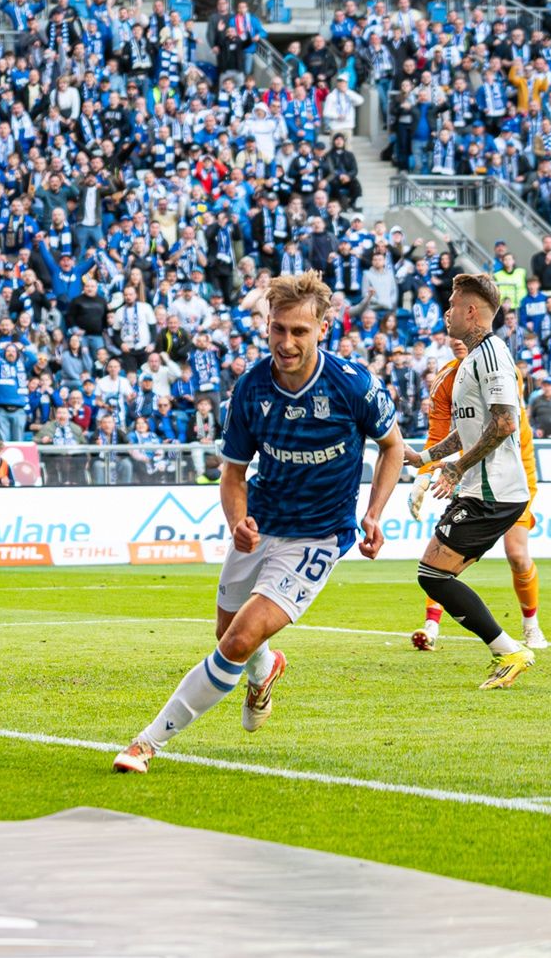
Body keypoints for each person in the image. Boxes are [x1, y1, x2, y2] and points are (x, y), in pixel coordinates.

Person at [114, 273, 403, 774]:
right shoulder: (250, 389)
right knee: (230, 638)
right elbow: (233, 473)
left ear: (323, 329)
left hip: (318, 535)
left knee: (238, 639)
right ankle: (266, 671)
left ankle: (146, 743)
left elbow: (393, 446)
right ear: (266, 327)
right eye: (278, 330)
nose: (286, 343)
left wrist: (374, 512)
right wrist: (236, 521)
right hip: (260, 526)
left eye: (299, 331)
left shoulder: (353, 385)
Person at [401, 274, 538, 690]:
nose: (447, 311)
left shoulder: (493, 354)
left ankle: (512, 650)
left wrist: (457, 469)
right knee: (435, 574)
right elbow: (471, 427)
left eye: (453, 304)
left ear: (472, 312)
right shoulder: (472, 360)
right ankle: (509, 649)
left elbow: (503, 423)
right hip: (481, 489)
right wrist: (424, 457)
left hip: (493, 491)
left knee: (433, 575)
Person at [407, 335, 547, 651]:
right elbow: (441, 431)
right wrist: (424, 471)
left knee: (517, 554)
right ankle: (432, 624)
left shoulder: (498, 364)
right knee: (437, 561)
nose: (457, 340)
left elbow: (504, 424)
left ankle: (530, 626)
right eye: (449, 334)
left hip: (511, 471)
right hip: (472, 472)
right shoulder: (445, 379)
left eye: (461, 333)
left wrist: (456, 467)